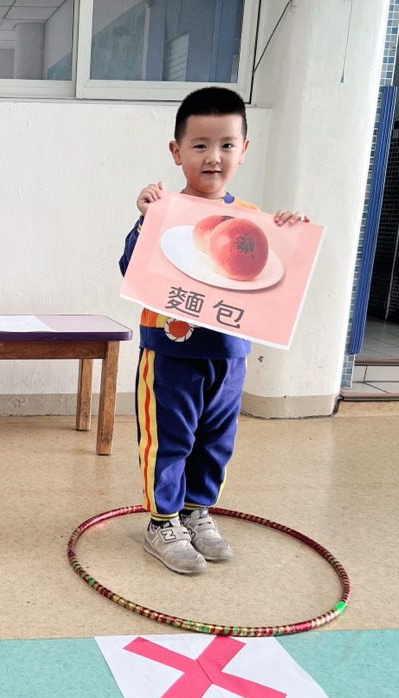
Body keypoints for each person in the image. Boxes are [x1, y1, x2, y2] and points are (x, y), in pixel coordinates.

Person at [119, 86, 309, 575]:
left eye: (226, 145)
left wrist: (289, 234)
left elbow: (271, 283)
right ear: (177, 150)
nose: (213, 157)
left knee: (216, 440)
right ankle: (162, 522)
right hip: (170, 352)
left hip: (229, 354)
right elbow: (131, 270)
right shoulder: (162, 212)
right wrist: (143, 223)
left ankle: (195, 511)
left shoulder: (253, 220)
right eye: (200, 145)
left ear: (244, 150)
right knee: (169, 439)